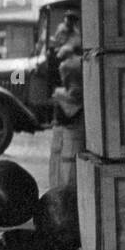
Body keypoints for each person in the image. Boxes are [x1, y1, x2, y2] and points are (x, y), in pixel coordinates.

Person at [47, 11, 83, 189]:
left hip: (70, 80)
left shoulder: (74, 35)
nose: (70, 22)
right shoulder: (63, 31)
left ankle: (61, 119)